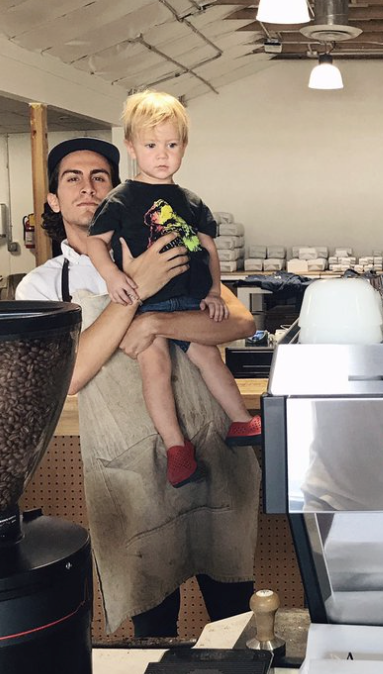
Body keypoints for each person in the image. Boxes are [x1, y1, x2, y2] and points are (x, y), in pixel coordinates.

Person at [16, 137, 261, 638]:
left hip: (208, 450)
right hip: (131, 470)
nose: (88, 188)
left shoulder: (169, 247)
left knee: (233, 606)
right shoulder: (41, 287)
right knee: (153, 618)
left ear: (120, 192)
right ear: (54, 200)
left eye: (100, 178)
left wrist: (156, 324)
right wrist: (136, 292)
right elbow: (69, 376)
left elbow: (239, 322)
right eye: (72, 179)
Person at [85, 91, 261, 488]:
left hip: (189, 303)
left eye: (171, 145)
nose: (162, 155)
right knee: (157, 368)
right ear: (131, 148)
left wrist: (213, 291)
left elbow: (208, 248)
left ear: (184, 147)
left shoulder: (190, 201)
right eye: (151, 145)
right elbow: (96, 242)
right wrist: (113, 276)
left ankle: (240, 421)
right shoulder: (120, 199)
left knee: (210, 358)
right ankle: (176, 448)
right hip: (146, 304)